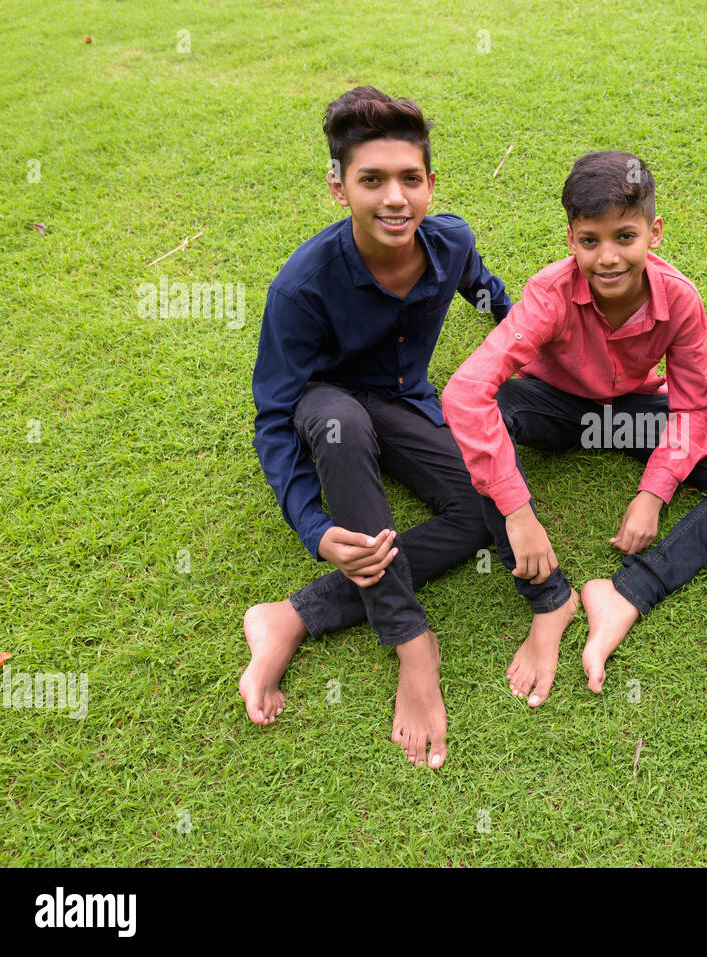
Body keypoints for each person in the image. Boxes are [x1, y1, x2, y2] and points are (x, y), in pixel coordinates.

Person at [241, 86, 512, 770]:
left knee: (483, 509)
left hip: (402, 403)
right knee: (338, 421)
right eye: (372, 180)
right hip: (326, 410)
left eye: (409, 179)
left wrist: (551, 350)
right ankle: (411, 642)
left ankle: (293, 616)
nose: (394, 197)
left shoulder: (450, 243)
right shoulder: (301, 287)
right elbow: (275, 418)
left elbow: (489, 296)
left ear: (430, 184)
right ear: (339, 189)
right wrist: (314, 526)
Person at [442, 151, 707, 708]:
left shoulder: (680, 298)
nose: (607, 257)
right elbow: (467, 393)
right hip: (548, 403)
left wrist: (653, 493)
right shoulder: (550, 291)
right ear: (571, 239)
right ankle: (549, 600)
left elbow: (690, 407)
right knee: (482, 432)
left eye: (625, 237)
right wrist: (518, 512)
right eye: (590, 240)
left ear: (654, 233)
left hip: (629, 410)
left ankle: (627, 591)